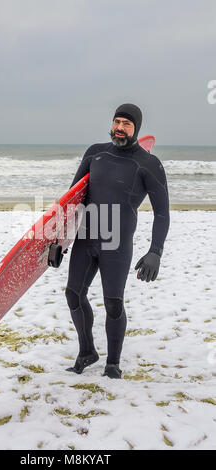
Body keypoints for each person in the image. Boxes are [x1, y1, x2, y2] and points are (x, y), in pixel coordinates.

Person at [65, 103, 170, 379]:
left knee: (113, 303)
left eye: (127, 123)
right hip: (87, 236)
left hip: (117, 243)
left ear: (137, 129)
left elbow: (162, 213)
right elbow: (72, 200)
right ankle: (86, 351)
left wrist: (155, 251)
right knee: (73, 295)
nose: (120, 128)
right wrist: (58, 241)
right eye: (117, 122)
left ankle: (113, 363)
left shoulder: (149, 164)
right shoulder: (95, 153)